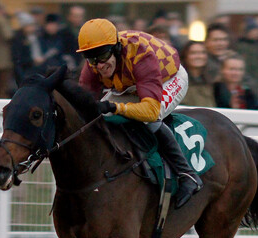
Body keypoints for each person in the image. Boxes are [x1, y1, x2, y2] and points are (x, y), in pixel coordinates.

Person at [77, 18, 202, 208]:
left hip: (169, 78)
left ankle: (187, 175)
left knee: (150, 118)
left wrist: (116, 107)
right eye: (92, 58)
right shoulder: (93, 65)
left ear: (116, 48)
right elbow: (83, 107)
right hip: (131, 83)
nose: (99, 66)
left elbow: (150, 111)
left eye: (102, 57)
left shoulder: (141, 54)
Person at [180, 40, 216, 107]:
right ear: (185, 56)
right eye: (193, 53)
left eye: (202, 53)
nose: (199, 56)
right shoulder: (178, 81)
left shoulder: (213, 81)